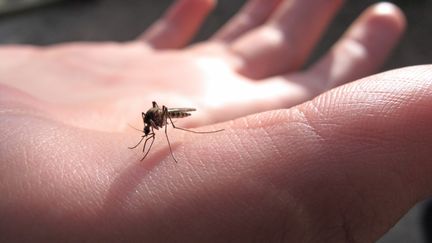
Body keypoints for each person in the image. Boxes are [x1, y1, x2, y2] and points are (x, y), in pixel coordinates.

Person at [0, 0, 430, 242]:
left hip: (177, 113)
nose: (148, 126)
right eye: (150, 125)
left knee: (174, 124)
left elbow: (163, 117)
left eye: (150, 125)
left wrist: (163, 129)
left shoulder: (162, 117)